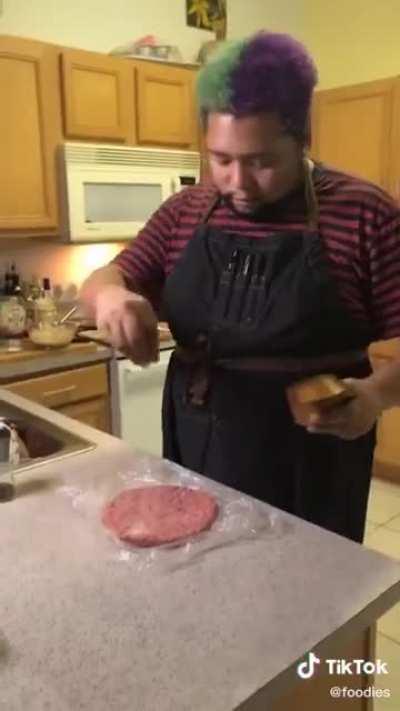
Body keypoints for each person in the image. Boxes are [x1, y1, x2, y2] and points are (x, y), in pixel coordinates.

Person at [80, 31, 400, 544]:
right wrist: (111, 297)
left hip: (313, 458)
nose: (238, 183)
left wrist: (376, 396)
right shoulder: (186, 211)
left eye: (262, 162)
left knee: (305, 599)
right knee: (205, 578)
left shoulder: (364, 213)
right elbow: (103, 279)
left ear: (302, 139)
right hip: (201, 438)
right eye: (221, 159)